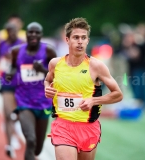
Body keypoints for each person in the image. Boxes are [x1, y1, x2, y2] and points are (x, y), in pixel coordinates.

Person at [44, 18, 123, 160]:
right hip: (63, 125)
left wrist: (94, 100)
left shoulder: (96, 66)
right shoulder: (55, 64)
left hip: (88, 127)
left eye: (83, 38)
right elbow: (47, 80)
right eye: (76, 37)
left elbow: (118, 94)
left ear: (87, 40)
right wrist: (46, 88)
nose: (80, 41)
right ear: (67, 40)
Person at [9, 22, 56, 160]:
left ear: (41, 35)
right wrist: (10, 73)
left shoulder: (49, 51)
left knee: (37, 148)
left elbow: (59, 73)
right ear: (26, 34)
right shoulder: (16, 51)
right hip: (24, 101)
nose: (33, 35)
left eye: (37, 32)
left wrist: (42, 70)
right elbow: (12, 67)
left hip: (43, 103)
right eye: (31, 32)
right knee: (30, 139)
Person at [0, 23, 24, 158]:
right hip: (6, 82)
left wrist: (15, 60)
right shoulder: (2, 44)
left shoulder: (22, 43)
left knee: (18, 114)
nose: (11, 33)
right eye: (9, 31)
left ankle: (15, 123)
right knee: (7, 113)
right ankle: (9, 145)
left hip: (21, 83)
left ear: (17, 31)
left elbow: (28, 60)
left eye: (14, 31)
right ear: (6, 32)